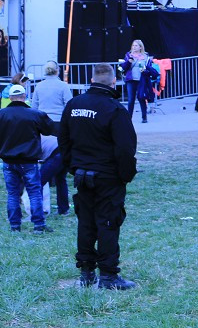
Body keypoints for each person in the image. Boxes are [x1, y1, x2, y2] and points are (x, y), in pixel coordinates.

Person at [58, 64, 138, 289]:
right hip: (107, 177)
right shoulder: (114, 109)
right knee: (108, 223)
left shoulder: (74, 105)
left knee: (86, 223)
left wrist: (73, 166)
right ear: (113, 82)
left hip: (83, 175)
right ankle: (108, 275)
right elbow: (125, 148)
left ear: (92, 79)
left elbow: (63, 140)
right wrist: (125, 175)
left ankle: (86, 272)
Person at [0, 84, 54, 233]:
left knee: (13, 194)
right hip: (29, 161)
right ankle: (38, 225)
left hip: (9, 161)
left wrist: (1, 153)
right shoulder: (34, 114)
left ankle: (15, 226)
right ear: (24, 97)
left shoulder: (0, 115)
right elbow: (49, 129)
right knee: (34, 192)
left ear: (10, 98)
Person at [119, 40, 158, 125]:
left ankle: (144, 117)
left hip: (142, 80)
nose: (134, 47)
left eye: (136, 46)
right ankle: (129, 118)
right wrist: (128, 61)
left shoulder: (145, 57)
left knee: (141, 98)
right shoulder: (128, 55)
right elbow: (123, 68)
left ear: (140, 47)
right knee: (130, 100)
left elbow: (149, 70)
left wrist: (144, 70)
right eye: (133, 46)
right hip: (131, 80)